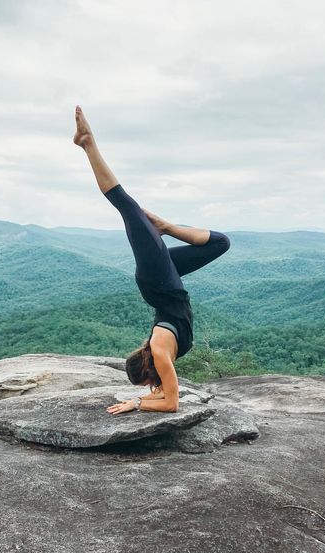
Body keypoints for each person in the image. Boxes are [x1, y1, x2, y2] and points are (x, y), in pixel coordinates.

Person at [73, 106, 230, 415]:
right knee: (221, 243)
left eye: (145, 383)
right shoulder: (161, 357)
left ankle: (87, 143)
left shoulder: (160, 352)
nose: (149, 387)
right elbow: (169, 399)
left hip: (158, 282)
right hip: (166, 281)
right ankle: (166, 228)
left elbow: (169, 403)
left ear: (147, 369)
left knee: (128, 207)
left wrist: (137, 403)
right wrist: (142, 400)